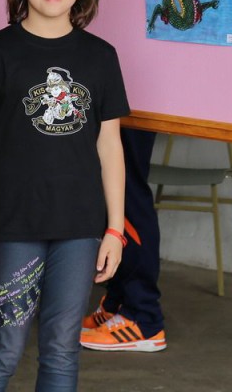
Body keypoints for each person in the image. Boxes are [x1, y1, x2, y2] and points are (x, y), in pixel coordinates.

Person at [0, 0, 127, 392]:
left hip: (80, 228)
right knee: (3, 348)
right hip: (14, 226)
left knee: (61, 349)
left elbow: (110, 147)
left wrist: (114, 228)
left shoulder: (101, 57)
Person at [78, 126, 167, 351]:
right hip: (124, 108)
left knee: (128, 192)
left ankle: (143, 318)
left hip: (136, 111)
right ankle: (117, 304)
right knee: (112, 188)